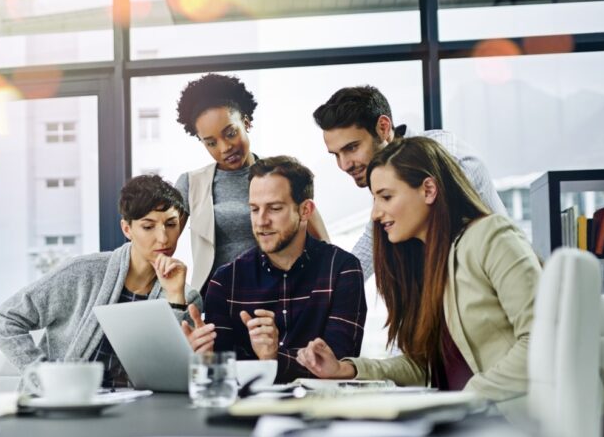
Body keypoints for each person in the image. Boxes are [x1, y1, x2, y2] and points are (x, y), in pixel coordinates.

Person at [296, 136, 540, 401]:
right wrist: (347, 369)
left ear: (428, 190)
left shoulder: (492, 237)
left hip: (509, 424)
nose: (376, 214)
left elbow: (542, 341)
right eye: (375, 200)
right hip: (463, 420)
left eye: (386, 197)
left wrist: (468, 398)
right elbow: (424, 367)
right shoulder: (424, 264)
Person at [0, 175, 202, 391]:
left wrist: (175, 298)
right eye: (148, 227)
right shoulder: (82, 273)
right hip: (66, 405)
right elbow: (4, 320)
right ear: (127, 229)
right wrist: (45, 379)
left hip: (135, 414)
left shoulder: (187, 297)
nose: (163, 238)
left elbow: (169, 377)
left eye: (171, 224)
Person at [182, 156, 366, 383]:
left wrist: (271, 359)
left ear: (306, 210)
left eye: (274, 208)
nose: (261, 221)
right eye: (254, 209)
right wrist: (206, 358)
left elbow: (337, 366)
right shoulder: (224, 282)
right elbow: (225, 372)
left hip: (320, 411)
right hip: (244, 414)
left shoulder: (342, 270)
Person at [312, 85, 508, 278]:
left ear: (383, 127)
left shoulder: (443, 157)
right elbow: (370, 245)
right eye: (336, 155)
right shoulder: (388, 174)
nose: (344, 165)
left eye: (352, 148)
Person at [174, 74, 332, 291]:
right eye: (211, 143)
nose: (224, 148)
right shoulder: (191, 184)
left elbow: (323, 245)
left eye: (230, 133)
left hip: (277, 298)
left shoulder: (282, 176)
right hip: (217, 303)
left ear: (246, 123)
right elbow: (157, 245)